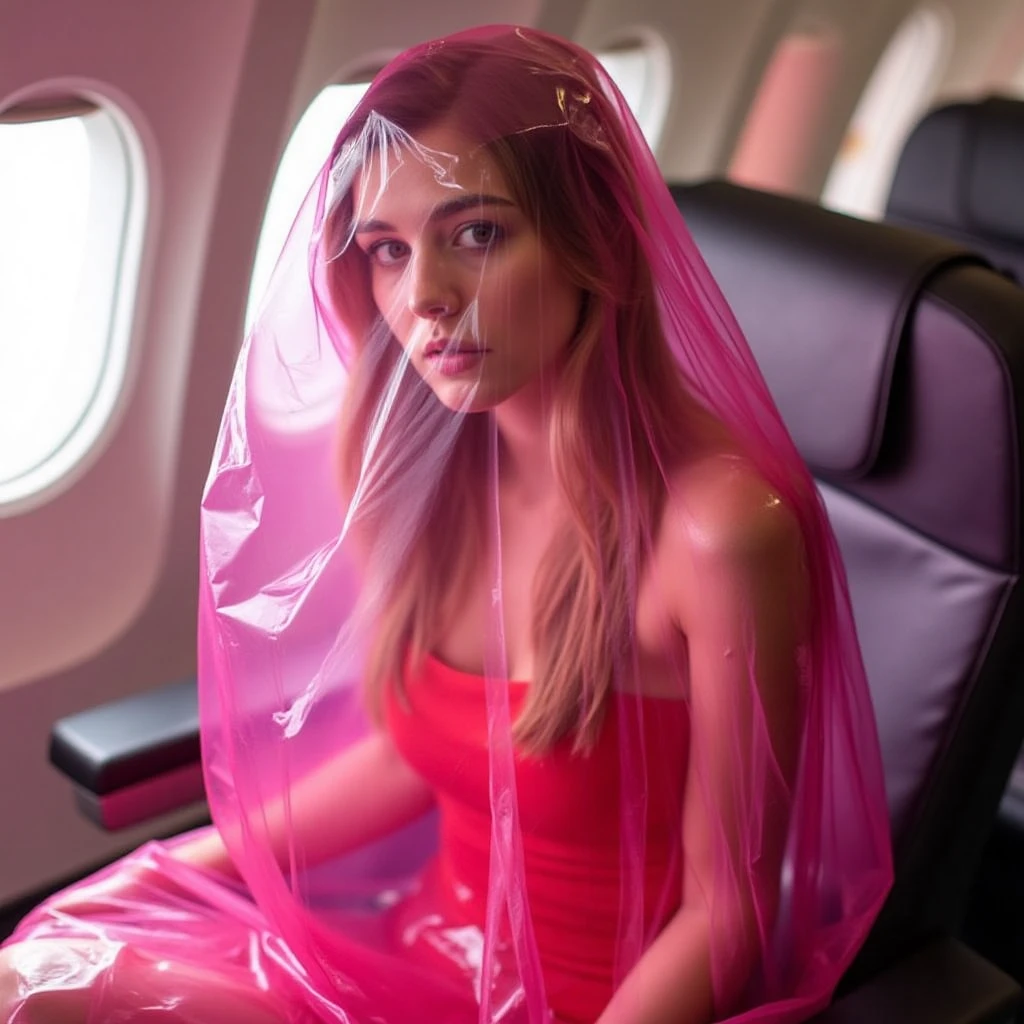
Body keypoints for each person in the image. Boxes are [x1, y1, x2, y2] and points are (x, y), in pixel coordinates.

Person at [0, 25, 892, 1024]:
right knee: (48, 959)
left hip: (593, 1006)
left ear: (589, 239)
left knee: (44, 992)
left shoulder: (718, 535)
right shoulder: (431, 476)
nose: (421, 296)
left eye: (476, 234)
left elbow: (727, 916)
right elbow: (407, 754)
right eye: (386, 250)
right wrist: (169, 871)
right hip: (418, 953)